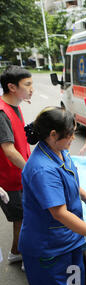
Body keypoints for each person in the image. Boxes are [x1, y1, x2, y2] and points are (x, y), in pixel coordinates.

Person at [19, 107, 86, 285]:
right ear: (52, 134)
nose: (73, 138)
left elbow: (68, 178)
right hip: (49, 251)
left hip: (71, 243)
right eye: (70, 135)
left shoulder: (60, 150)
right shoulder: (42, 169)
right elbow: (60, 213)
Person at [0, 66, 33, 269]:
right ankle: (17, 254)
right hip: (9, 179)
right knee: (21, 218)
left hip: (20, 175)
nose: (32, 89)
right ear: (12, 87)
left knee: (23, 217)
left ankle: (17, 252)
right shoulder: (2, 112)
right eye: (27, 84)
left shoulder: (16, 105)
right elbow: (9, 149)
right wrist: (33, 170)